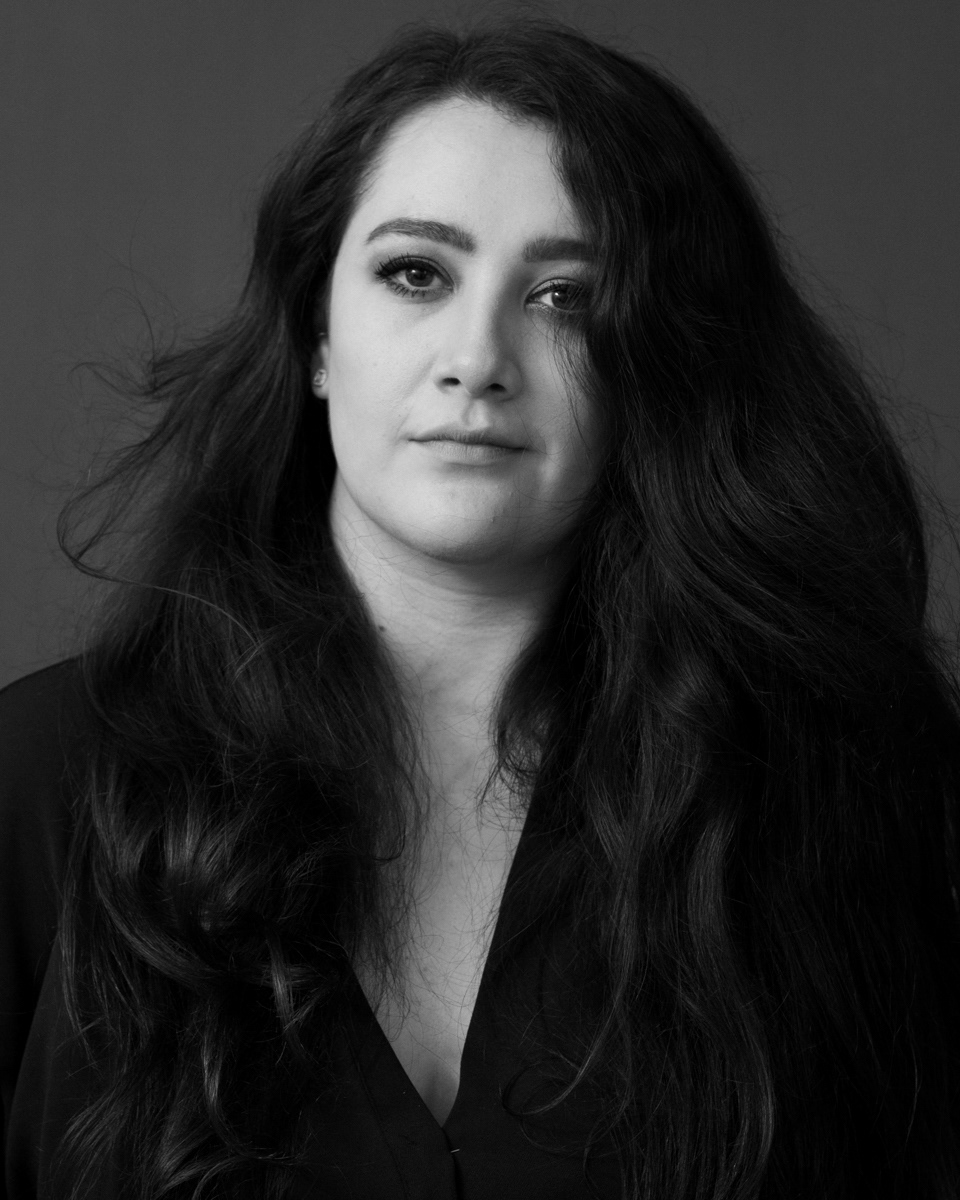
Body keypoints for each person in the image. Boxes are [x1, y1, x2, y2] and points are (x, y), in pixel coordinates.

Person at [2, 17, 959, 1200]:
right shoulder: (40, 781)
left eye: (565, 296)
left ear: (661, 366)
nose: (477, 357)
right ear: (315, 333)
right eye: (416, 273)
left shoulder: (846, 799)